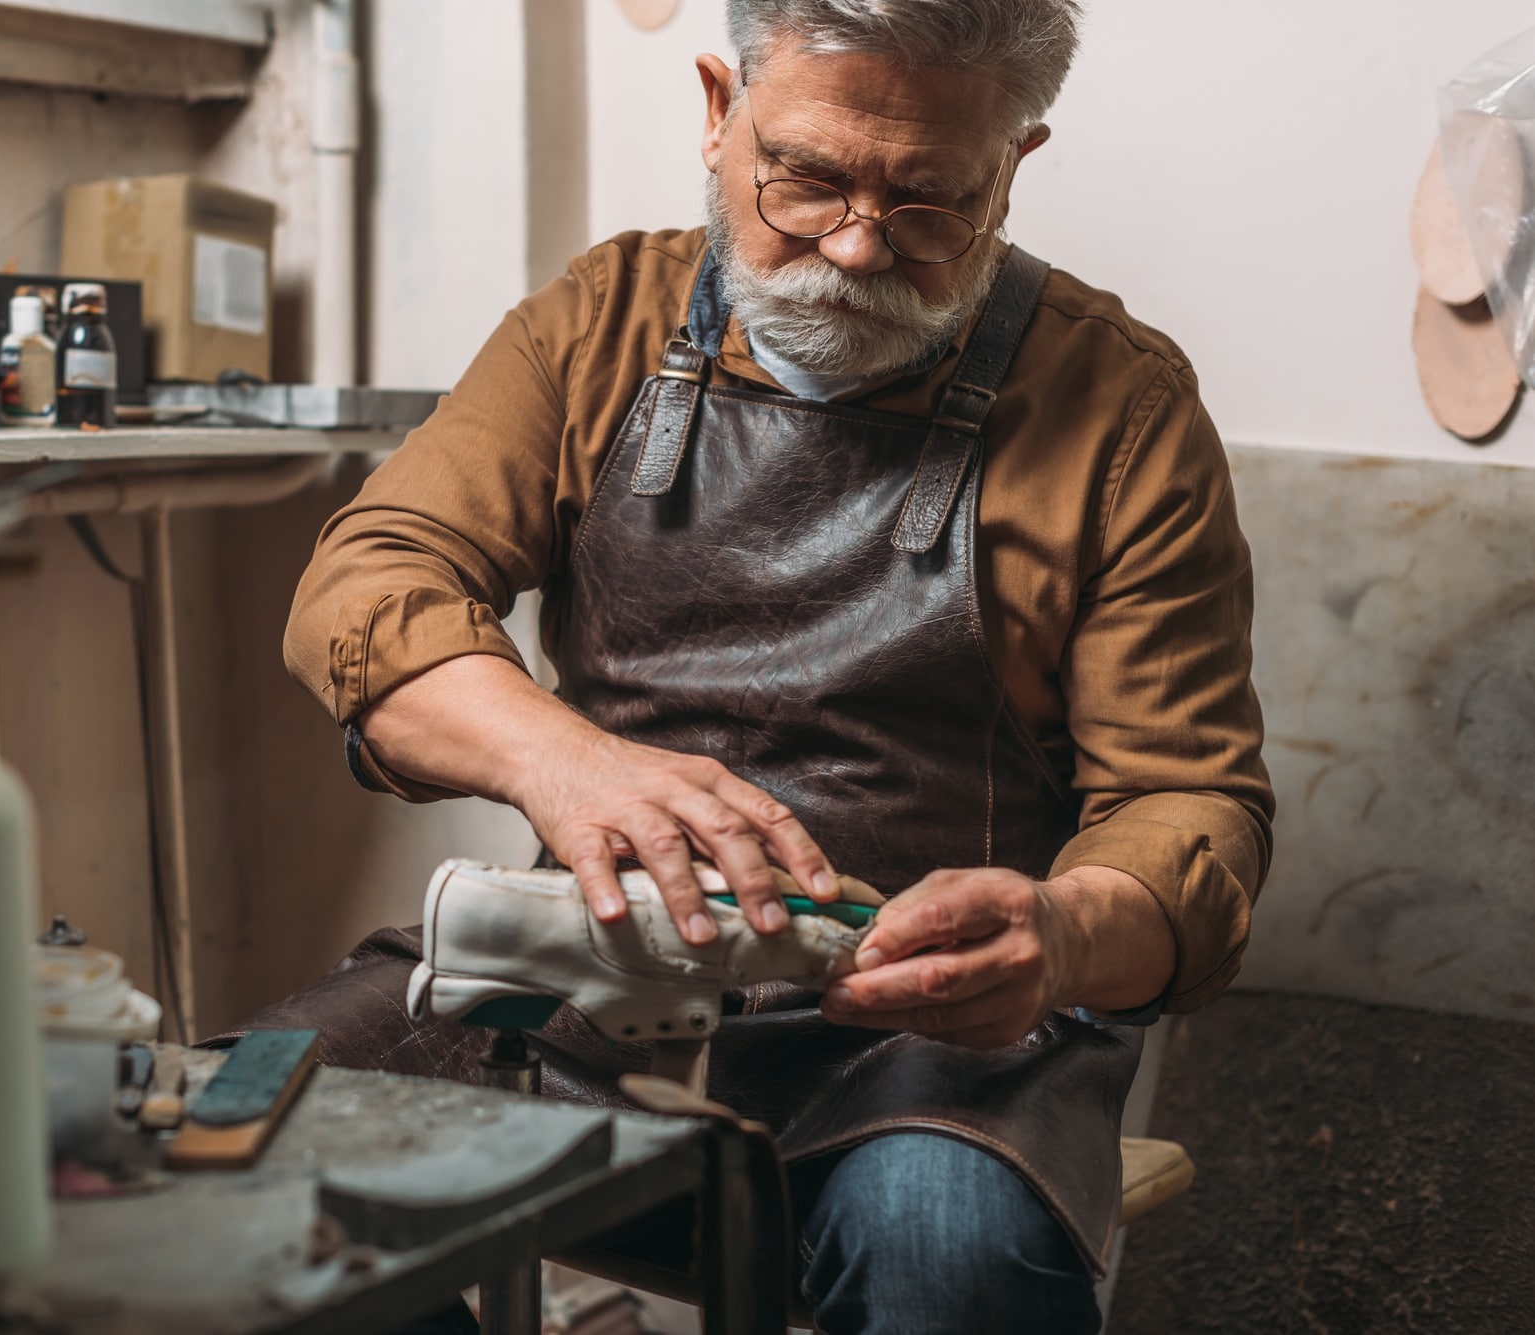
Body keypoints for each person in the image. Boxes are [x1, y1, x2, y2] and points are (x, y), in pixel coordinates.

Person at [252, 2, 1274, 1330]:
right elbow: (369, 585)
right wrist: (563, 762)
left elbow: (1193, 802)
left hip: (922, 1044)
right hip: (580, 988)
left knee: (948, 1257)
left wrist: (1069, 931)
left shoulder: (1120, 408)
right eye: (807, 177)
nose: (852, 247)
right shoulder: (593, 324)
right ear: (717, 110)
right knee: (224, 1167)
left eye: (926, 201)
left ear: (1012, 165)